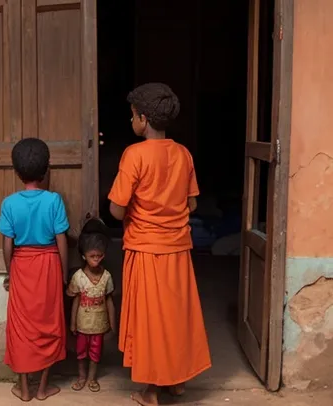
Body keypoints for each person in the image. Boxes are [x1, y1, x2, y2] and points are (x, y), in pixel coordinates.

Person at [107, 83, 211, 405]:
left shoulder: (134, 155)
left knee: (150, 320)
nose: (131, 122)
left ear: (143, 118)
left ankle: (151, 391)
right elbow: (192, 206)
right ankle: (177, 381)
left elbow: (116, 208)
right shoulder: (183, 154)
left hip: (146, 248)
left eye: (132, 116)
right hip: (178, 248)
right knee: (176, 316)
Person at [0, 138, 69, 402]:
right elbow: (61, 239)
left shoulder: (9, 203)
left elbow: (8, 243)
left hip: (22, 265)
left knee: (20, 328)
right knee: (49, 324)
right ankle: (42, 389)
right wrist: (63, 275)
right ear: (46, 169)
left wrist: (10, 272)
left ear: (16, 172)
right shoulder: (54, 200)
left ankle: (24, 389)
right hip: (49, 264)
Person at [67, 218, 116, 393]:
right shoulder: (78, 277)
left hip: (99, 324)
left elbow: (109, 300)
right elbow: (75, 300)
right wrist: (73, 323)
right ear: (83, 256)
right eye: (92, 256)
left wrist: (112, 324)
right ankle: (81, 377)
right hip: (82, 324)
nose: (96, 260)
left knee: (96, 353)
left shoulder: (107, 277)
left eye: (99, 256)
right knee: (81, 352)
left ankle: (92, 378)